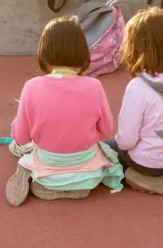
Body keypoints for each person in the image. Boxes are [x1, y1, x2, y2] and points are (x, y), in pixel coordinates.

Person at [7, 16, 123, 206]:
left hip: (47, 165)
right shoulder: (94, 86)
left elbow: (22, 137)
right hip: (87, 175)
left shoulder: (32, 86)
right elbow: (106, 131)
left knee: (18, 142)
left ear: (44, 52)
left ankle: (33, 175)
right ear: (82, 52)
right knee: (104, 150)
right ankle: (74, 184)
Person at [106, 7, 163, 195]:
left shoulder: (138, 87)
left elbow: (126, 140)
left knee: (106, 148)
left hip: (148, 163)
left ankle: (142, 176)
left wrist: (118, 146)